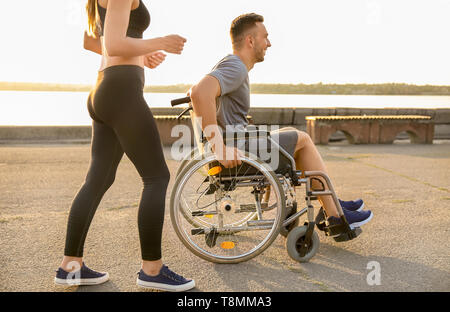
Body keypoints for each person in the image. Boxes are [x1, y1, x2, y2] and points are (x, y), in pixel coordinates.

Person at [54, 0, 195, 292]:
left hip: (105, 88)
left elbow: (93, 41)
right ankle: (152, 270)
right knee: (157, 177)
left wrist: (143, 55)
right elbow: (115, 44)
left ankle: (71, 267)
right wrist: (161, 42)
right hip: (121, 91)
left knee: (98, 179)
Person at [189, 13, 373, 230]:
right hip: (236, 148)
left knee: (290, 134)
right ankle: (334, 215)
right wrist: (219, 147)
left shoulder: (232, 65)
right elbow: (199, 93)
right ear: (250, 40)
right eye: (265, 37)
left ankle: (331, 205)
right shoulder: (236, 67)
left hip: (238, 142)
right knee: (302, 139)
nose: (269, 43)